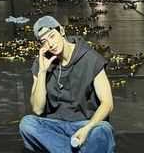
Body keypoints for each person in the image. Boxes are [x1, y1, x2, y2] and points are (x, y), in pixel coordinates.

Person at [20, 15, 114, 153]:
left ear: (62, 31)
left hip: (85, 123)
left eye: (52, 36)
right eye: (44, 42)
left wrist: (87, 128)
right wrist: (42, 72)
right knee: (27, 124)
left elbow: (107, 103)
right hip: (55, 125)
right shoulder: (41, 63)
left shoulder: (90, 58)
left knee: (102, 131)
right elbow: (38, 109)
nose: (51, 44)